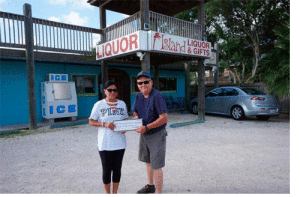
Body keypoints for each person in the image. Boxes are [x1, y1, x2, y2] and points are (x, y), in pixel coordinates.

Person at [89, 80, 128, 194]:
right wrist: (104, 124)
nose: (112, 92)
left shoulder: (122, 104)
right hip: (105, 143)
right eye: (109, 90)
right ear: (104, 91)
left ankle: (115, 192)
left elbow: (125, 119)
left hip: (120, 143)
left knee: (117, 169)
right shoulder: (99, 105)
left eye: (114, 90)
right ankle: (108, 193)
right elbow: (91, 121)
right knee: (106, 170)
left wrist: (125, 127)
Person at [133, 71, 168, 194]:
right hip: (144, 134)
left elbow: (164, 117)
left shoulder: (157, 96)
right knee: (147, 161)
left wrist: (147, 127)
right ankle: (150, 185)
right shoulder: (138, 96)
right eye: (140, 83)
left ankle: (158, 192)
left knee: (156, 165)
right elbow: (135, 111)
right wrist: (136, 117)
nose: (143, 85)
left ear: (151, 82)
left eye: (146, 82)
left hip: (156, 134)